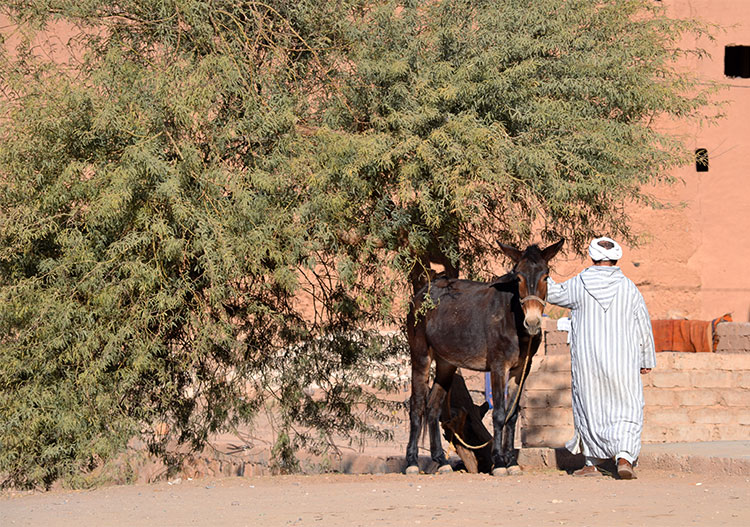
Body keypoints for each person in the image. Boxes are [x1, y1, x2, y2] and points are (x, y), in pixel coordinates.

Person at [546, 236, 655, 479]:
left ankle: (592, 463)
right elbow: (643, 325)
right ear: (616, 258)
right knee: (628, 405)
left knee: (590, 406)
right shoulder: (629, 288)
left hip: (588, 361)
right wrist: (646, 359)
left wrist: (539, 269)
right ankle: (624, 457)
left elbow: (552, 293)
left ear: (593, 257)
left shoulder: (579, 285)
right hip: (624, 360)